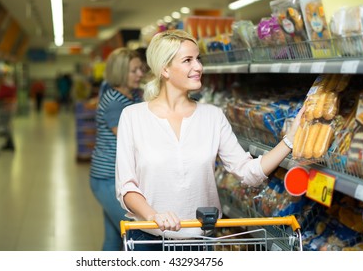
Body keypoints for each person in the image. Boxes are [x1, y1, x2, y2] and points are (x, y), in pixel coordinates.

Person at [114, 29, 304, 250]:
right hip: (148, 240)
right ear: (164, 69)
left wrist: (289, 140)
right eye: (187, 60)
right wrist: (154, 215)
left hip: (201, 241)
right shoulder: (133, 116)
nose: (198, 67)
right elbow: (126, 187)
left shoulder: (212, 116)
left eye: (198, 59)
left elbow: (247, 171)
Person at [89, 47, 146, 251]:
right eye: (134, 71)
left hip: (120, 178)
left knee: (113, 238)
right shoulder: (114, 101)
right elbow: (128, 140)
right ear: (120, 72)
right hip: (107, 179)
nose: (140, 74)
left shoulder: (135, 96)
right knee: (135, 235)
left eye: (140, 69)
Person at [0, 73, 17, 151]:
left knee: (5, 126)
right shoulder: (8, 85)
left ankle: (10, 143)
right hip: (9, 107)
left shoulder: (5, 86)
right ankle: (8, 142)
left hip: (6, 108)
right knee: (6, 125)